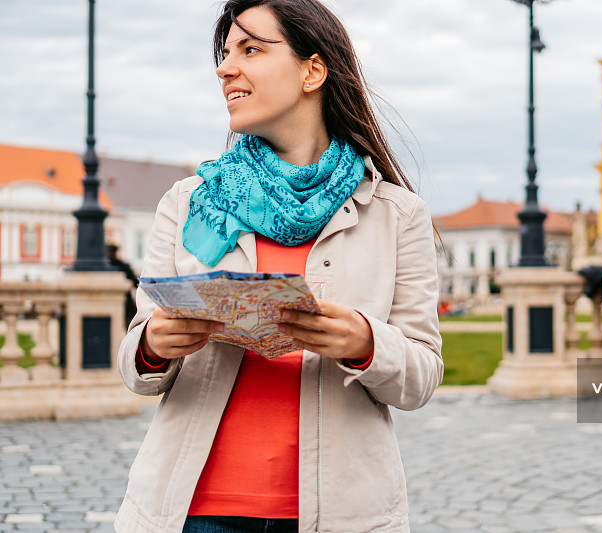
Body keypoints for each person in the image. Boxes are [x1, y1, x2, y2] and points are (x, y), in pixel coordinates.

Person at [114, 1, 443, 532]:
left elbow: (421, 379)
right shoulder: (187, 200)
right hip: (194, 511)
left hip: (340, 514)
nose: (225, 68)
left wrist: (365, 342)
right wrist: (156, 342)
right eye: (224, 55)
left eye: (250, 50)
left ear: (312, 71)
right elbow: (135, 366)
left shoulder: (397, 214)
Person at [107, 243, 139, 325]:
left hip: (123, 302)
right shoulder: (123, 266)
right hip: (124, 303)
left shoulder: (121, 266)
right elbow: (136, 283)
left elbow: (135, 283)